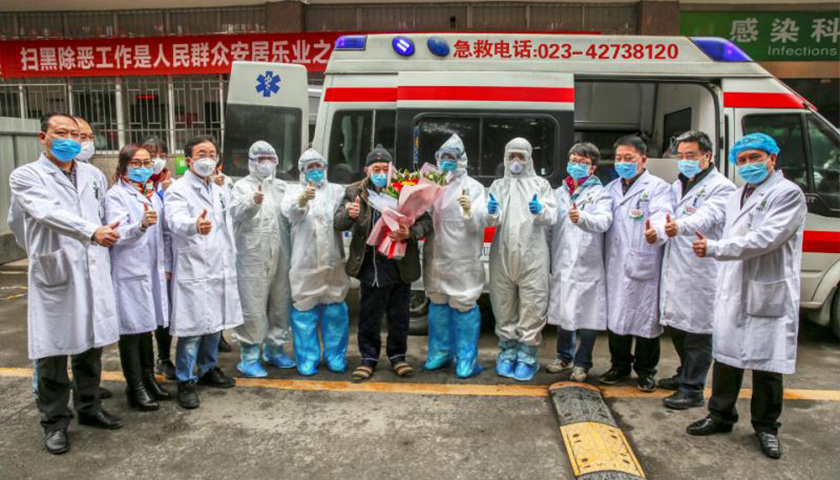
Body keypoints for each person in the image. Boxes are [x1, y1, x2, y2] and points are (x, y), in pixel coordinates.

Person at [8, 113, 123, 455]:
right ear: (43, 137)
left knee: (90, 343)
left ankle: (89, 406)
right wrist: (82, 235)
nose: (70, 140)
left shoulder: (92, 175)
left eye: (76, 134)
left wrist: (97, 234)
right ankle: (55, 422)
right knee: (53, 350)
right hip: (56, 267)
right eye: (61, 133)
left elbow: (100, 213)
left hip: (91, 265)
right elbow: (38, 214)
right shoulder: (26, 175)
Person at [687, 133, 806, 460]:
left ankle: (766, 427)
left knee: (767, 362)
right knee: (726, 355)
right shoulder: (736, 195)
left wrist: (715, 248)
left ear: (772, 159)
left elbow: (766, 238)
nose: (748, 164)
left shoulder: (788, 194)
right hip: (734, 285)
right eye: (742, 160)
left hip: (766, 287)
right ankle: (720, 415)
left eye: (755, 157)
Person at [334, 145, 433, 382]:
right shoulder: (354, 192)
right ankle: (368, 358)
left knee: (400, 315)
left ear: (392, 170)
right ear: (366, 170)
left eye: (385, 168)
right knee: (370, 315)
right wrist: (350, 214)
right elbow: (338, 222)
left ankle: (398, 357)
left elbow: (426, 222)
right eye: (375, 168)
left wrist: (409, 232)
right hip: (371, 264)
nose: (380, 173)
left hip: (400, 263)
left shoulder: (404, 190)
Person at [658, 131, 736, 409]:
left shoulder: (722, 188)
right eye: (680, 156)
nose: (685, 160)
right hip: (678, 266)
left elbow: (708, 215)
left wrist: (679, 226)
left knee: (699, 332)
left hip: (702, 268)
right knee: (678, 326)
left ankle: (692, 389)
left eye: (690, 155)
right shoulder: (678, 185)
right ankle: (684, 375)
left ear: (707, 156)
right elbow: (664, 213)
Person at [165, 135, 243, 409]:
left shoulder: (218, 189)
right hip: (194, 266)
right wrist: (193, 225)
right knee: (192, 329)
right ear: (188, 160)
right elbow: (174, 219)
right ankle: (185, 380)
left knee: (215, 323)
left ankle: (209, 368)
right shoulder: (178, 189)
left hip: (219, 265)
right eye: (201, 154)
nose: (207, 159)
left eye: (212, 154)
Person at [601, 135, 673, 392]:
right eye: (619, 158)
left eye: (628, 158)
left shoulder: (658, 187)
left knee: (645, 320)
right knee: (617, 318)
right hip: (615, 262)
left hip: (644, 261)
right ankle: (619, 366)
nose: (623, 162)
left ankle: (645, 371)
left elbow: (662, 215)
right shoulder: (610, 189)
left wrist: (656, 231)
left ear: (643, 159)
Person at [105, 144, 172, 411]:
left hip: (152, 270)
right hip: (129, 270)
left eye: (147, 163)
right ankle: (135, 388)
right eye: (136, 163)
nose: (143, 168)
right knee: (131, 331)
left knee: (147, 328)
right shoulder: (116, 195)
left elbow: (164, 233)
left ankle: (149, 380)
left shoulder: (152, 194)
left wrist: (166, 264)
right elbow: (117, 232)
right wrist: (140, 225)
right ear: (124, 166)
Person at [487, 137, 557, 382]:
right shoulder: (498, 185)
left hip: (532, 255)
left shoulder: (541, 184)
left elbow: (552, 216)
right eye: (512, 156)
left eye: (521, 156)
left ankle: (528, 356)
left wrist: (541, 211)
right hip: (502, 255)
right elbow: (490, 219)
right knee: (503, 304)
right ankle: (507, 352)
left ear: (529, 159)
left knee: (533, 304)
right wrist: (491, 212)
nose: (516, 161)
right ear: (505, 158)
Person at [422, 134, 488, 378]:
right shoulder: (431, 184)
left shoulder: (474, 187)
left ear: (462, 159)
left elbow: (484, 220)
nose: (447, 161)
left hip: (463, 259)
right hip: (436, 256)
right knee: (438, 303)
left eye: (452, 156)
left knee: (464, 304)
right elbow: (419, 215)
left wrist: (470, 211)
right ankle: (439, 353)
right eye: (444, 156)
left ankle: (466, 359)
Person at [546, 143, 612, 383]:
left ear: (592, 168)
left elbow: (604, 221)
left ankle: (583, 363)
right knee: (564, 312)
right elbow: (551, 228)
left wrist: (582, 217)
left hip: (587, 264)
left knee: (587, 316)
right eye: (573, 161)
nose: (576, 166)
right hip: (562, 262)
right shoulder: (558, 193)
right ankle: (564, 356)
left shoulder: (600, 194)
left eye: (582, 163)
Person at [281, 148, 351, 376]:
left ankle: (335, 356)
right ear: (302, 171)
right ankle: (307, 358)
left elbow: (344, 217)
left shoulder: (337, 191)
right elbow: (291, 213)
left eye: (318, 166)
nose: (315, 170)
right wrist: (302, 200)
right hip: (305, 262)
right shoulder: (293, 191)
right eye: (310, 167)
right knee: (304, 311)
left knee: (335, 310)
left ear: (325, 168)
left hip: (333, 262)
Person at [230, 141, 295, 377]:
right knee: (253, 304)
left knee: (280, 303)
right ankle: (248, 356)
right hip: (251, 256)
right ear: (251, 162)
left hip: (281, 253)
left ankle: (274, 349)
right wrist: (252, 201)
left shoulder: (282, 187)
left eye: (270, 158)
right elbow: (236, 212)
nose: (265, 163)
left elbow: (292, 215)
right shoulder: (241, 187)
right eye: (260, 159)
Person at [141, 136, 176, 379]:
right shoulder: (132, 185)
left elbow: (169, 228)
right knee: (142, 314)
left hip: (164, 260)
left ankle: (164, 358)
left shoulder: (170, 185)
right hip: (138, 260)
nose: (156, 160)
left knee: (165, 312)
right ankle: (143, 369)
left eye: (161, 155)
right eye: (151, 155)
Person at [211, 163, 235, 354]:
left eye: (212, 155)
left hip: (226, 244)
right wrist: (211, 185)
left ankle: (218, 336)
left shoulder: (227, 181)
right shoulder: (183, 186)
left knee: (221, 296)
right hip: (206, 248)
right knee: (209, 297)